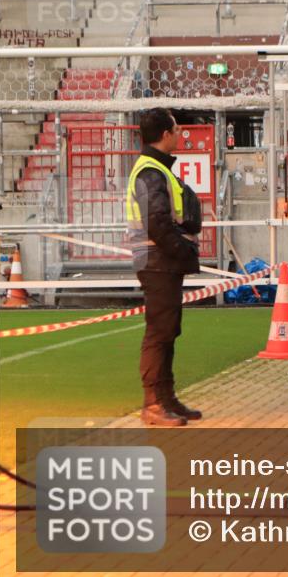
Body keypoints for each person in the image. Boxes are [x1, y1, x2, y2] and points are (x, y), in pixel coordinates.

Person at [125, 108, 203, 426]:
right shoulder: (150, 172)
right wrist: (182, 250)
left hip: (160, 260)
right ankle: (154, 404)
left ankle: (166, 399)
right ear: (165, 134)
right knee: (159, 332)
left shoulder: (155, 169)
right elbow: (157, 222)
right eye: (176, 129)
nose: (180, 133)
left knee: (168, 330)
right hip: (157, 260)